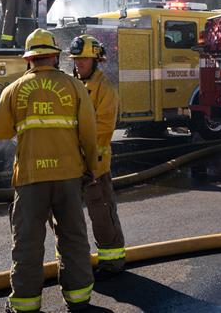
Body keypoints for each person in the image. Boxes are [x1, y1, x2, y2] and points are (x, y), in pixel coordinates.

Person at [0, 28, 98, 312]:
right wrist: (92, 168)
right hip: (69, 175)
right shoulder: (74, 87)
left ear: (29, 59)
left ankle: (25, 303)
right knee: (73, 237)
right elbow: (89, 132)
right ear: (55, 57)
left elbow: (0, 131)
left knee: (28, 241)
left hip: (30, 177)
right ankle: (79, 298)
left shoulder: (13, 90)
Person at [68, 34, 127, 275]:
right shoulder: (69, 84)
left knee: (101, 214)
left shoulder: (106, 90)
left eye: (84, 59)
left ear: (95, 60)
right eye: (76, 59)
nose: (78, 63)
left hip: (95, 166)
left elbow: (102, 130)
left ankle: (112, 262)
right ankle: (72, 266)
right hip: (69, 165)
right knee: (68, 220)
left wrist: (84, 159)